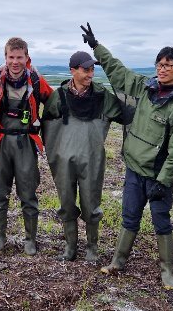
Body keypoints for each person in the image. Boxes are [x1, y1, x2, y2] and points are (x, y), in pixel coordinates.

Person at [81, 23, 173, 289]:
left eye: (169, 65)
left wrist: (164, 180)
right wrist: (96, 46)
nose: (162, 68)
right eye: (159, 63)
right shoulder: (146, 87)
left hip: (157, 175)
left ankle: (167, 270)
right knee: (129, 216)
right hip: (134, 168)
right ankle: (118, 261)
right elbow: (118, 71)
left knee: (161, 221)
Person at [42, 51, 124, 262]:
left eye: (92, 69)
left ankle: (92, 247)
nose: (90, 74)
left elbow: (124, 114)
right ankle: (70, 247)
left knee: (91, 202)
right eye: (86, 69)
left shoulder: (102, 95)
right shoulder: (58, 96)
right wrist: (53, 154)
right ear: (73, 71)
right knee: (66, 202)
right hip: (63, 160)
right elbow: (46, 125)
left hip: (92, 158)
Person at [0, 37, 53, 255]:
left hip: (26, 143)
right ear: (5, 58)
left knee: (28, 194)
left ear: (27, 58)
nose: (15, 61)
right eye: (11, 57)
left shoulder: (37, 81)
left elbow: (56, 105)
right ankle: (0, 237)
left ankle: (30, 239)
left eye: (19, 57)